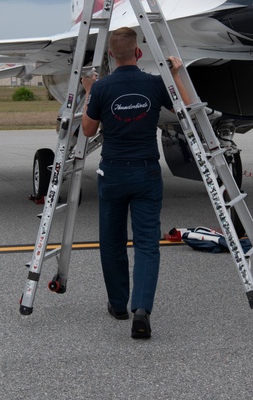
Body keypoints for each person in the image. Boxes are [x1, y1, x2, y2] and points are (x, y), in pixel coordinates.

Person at [81, 27, 190, 340]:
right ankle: (141, 309)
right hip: (146, 172)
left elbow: (88, 130)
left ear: (111, 56)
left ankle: (118, 305)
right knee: (146, 243)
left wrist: (90, 89)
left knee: (112, 241)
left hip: (112, 173)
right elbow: (184, 108)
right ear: (138, 53)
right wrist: (176, 75)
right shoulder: (155, 84)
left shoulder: (102, 88)